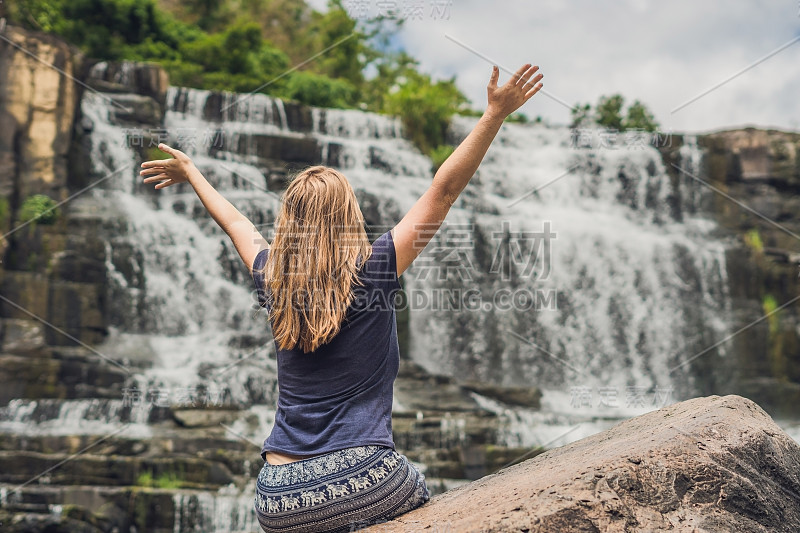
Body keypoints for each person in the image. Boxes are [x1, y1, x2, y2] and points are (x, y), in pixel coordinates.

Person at [141, 63, 543, 533]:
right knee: (421, 493)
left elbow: (236, 224)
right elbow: (444, 190)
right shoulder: (377, 265)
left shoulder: (273, 277)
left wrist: (192, 172)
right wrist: (494, 114)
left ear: (289, 219)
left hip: (276, 496)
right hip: (363, 480)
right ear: (349, 214)